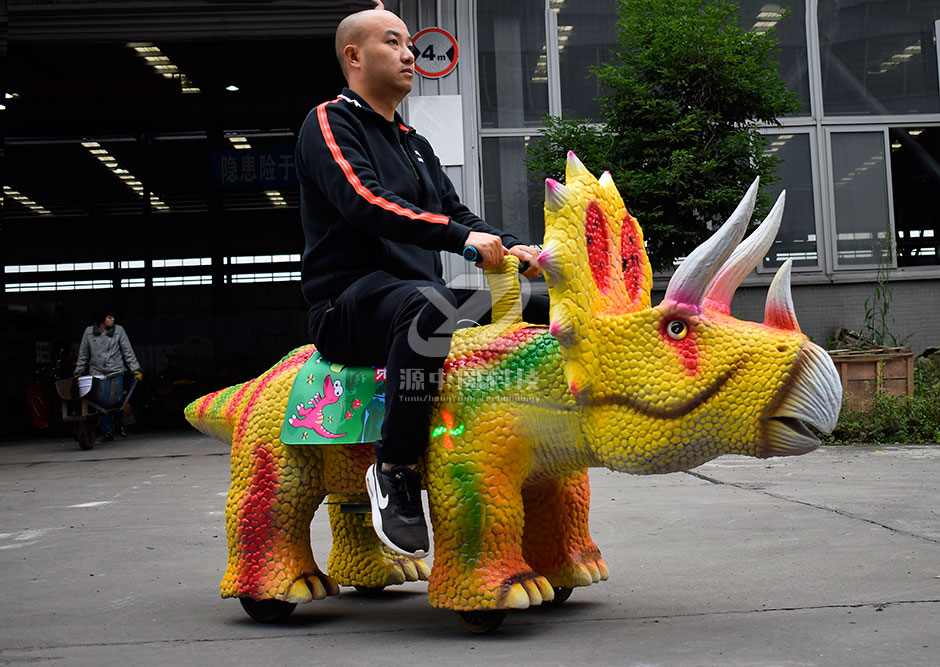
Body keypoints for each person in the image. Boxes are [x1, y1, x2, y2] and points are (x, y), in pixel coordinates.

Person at [297, 8, 549, 558]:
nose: (411, 54)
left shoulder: (415, 143)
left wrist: (513, 248)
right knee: (429, 305)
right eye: (393, 43)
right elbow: (364, 204)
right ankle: (397, 469)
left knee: (540, 308)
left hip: (419, 303)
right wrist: (460, 239)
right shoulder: (329, 123)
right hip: (349, 304)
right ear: (354, 56)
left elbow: (459, 212)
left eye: (411, 44)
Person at [74, 311, 143, 442]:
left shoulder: (119, 331)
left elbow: (127, 351)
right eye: (109, 317)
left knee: (117, 400)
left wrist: (135, 369)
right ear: (102, 320)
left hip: (115, 371)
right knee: (101, 404)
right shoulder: (89, 332)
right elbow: (83, 355)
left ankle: (120, 424)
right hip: (97, 373)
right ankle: (108, 433)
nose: (113, 319)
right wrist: (79, 371)